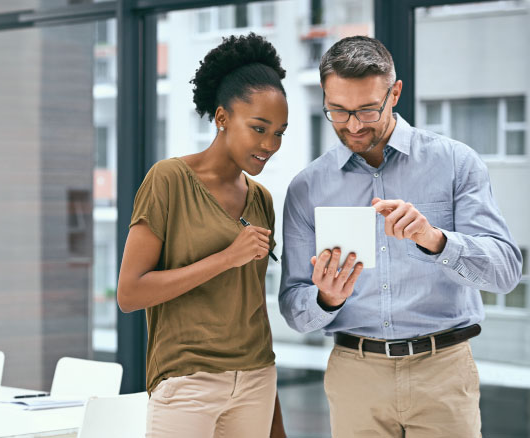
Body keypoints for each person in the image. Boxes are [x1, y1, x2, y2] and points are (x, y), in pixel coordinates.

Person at [279, 35, 523, 437]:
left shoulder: (456, 164)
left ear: (395, 93)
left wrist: (436, 240)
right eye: (337, 111)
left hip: (442, 372)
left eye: (367, 110)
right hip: (355, 376)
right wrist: (326, 298)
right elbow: (293, 307)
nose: (353, 125)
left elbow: (506, 273)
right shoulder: (307, 187)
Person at [117, 33, 288, 438]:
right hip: (186, 383)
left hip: (256, 380)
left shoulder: (261, 199)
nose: (269, 144)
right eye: (259, 128)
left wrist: (276, 420)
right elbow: (130, 293)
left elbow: (252, 309)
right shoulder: (169, 180)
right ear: (223, 118)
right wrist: (226, 257)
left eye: (279, 132)